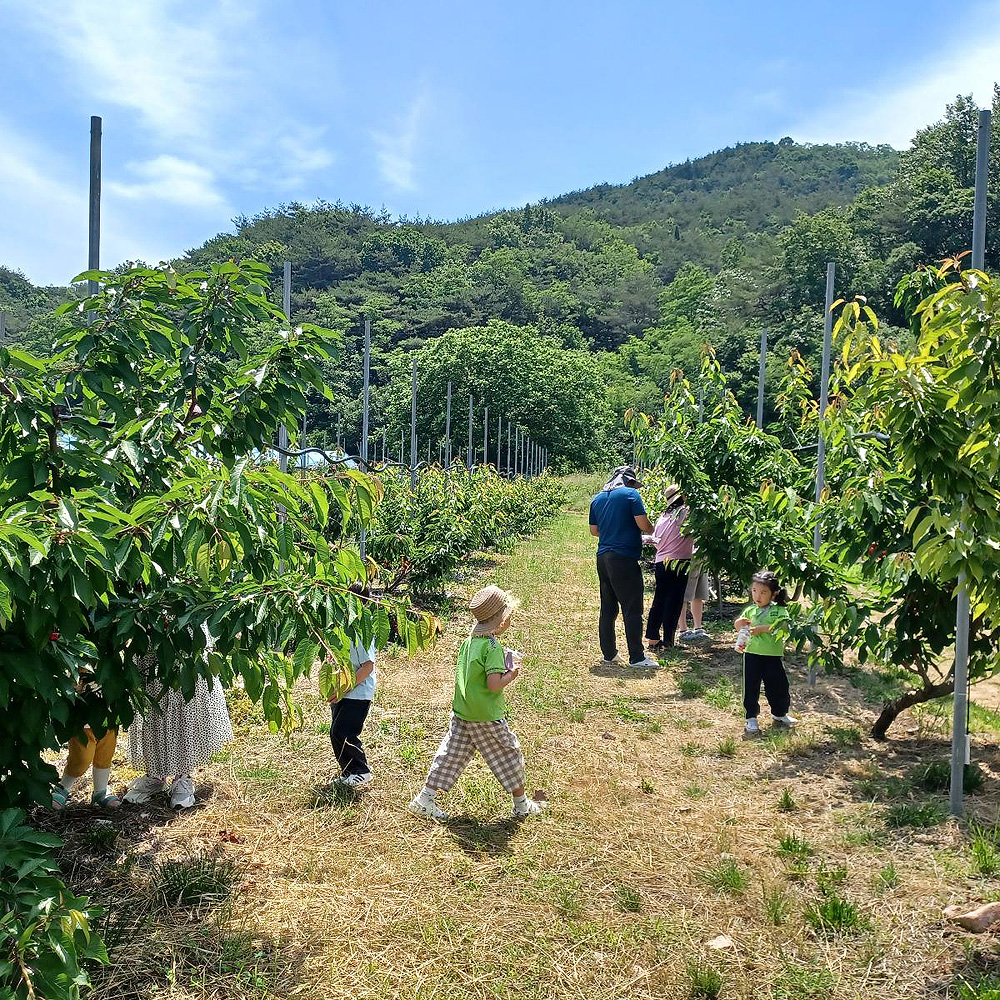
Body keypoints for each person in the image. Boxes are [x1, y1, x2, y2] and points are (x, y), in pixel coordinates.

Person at [409, 585, 542, 822]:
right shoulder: (492, 647)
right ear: (501, 620)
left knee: (452, 754)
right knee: (508, 753)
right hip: (485, 715)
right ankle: (521, 805)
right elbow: (493, 684)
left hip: (463, 710)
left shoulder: (469, 643)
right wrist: (511, 674)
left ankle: (425, 798)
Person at [124, 630, 234, 809]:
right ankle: (155, 775)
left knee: (183, 700)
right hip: (150, 627)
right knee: (152, 703)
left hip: (184, 628)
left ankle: (182, 776)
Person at [589, 466, 658, 669]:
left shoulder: (598, 498)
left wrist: (614, 530)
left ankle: (609, 654)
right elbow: (644, 525)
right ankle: (637, 657)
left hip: (603, 558)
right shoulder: (631, 495)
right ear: (628, 481)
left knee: (608, 607)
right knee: (632, 608)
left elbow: (595, 531)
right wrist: (652, 530)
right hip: (624, 558)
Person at [735, 570, 797, 736]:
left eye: (763, 592)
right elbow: (739, 626)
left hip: (772, 656)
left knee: (778, 686)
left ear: (774, 594)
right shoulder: (750, 611)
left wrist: (763, 629)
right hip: (752, 654)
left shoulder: (778, 611)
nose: (758, 596)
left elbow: (784, 626)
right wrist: (738, 623)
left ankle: (779, 713)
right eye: (754, 591)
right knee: (751, 686)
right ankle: (751, 717)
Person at [643, 485, 693, 651]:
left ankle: (652, 639)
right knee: (674, 602)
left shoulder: (663, 516)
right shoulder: (686, 513)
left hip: (661, 563)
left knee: (660, 600)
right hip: (680, 562)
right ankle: (668, 641)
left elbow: (656, 540)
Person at [328, 636, 377, 789]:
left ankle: (361, 771)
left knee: (343, 732)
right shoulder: (338, 631)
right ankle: (349, 771)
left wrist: (345, 688)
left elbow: (368, 667)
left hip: (358, 693)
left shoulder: (360, 633)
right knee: (336, 733)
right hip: (344, 691)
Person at [51, 727, 121, 811]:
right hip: (82, 722)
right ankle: (62, 788)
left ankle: (100, 792)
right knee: (81, 758)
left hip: (109, 720)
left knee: (105, 755)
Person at [678, 560, 712, 641]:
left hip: (702, 558)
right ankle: (683, 630)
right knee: (684, 596)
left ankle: (698, 628)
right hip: (686, 557)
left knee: (699, 594)